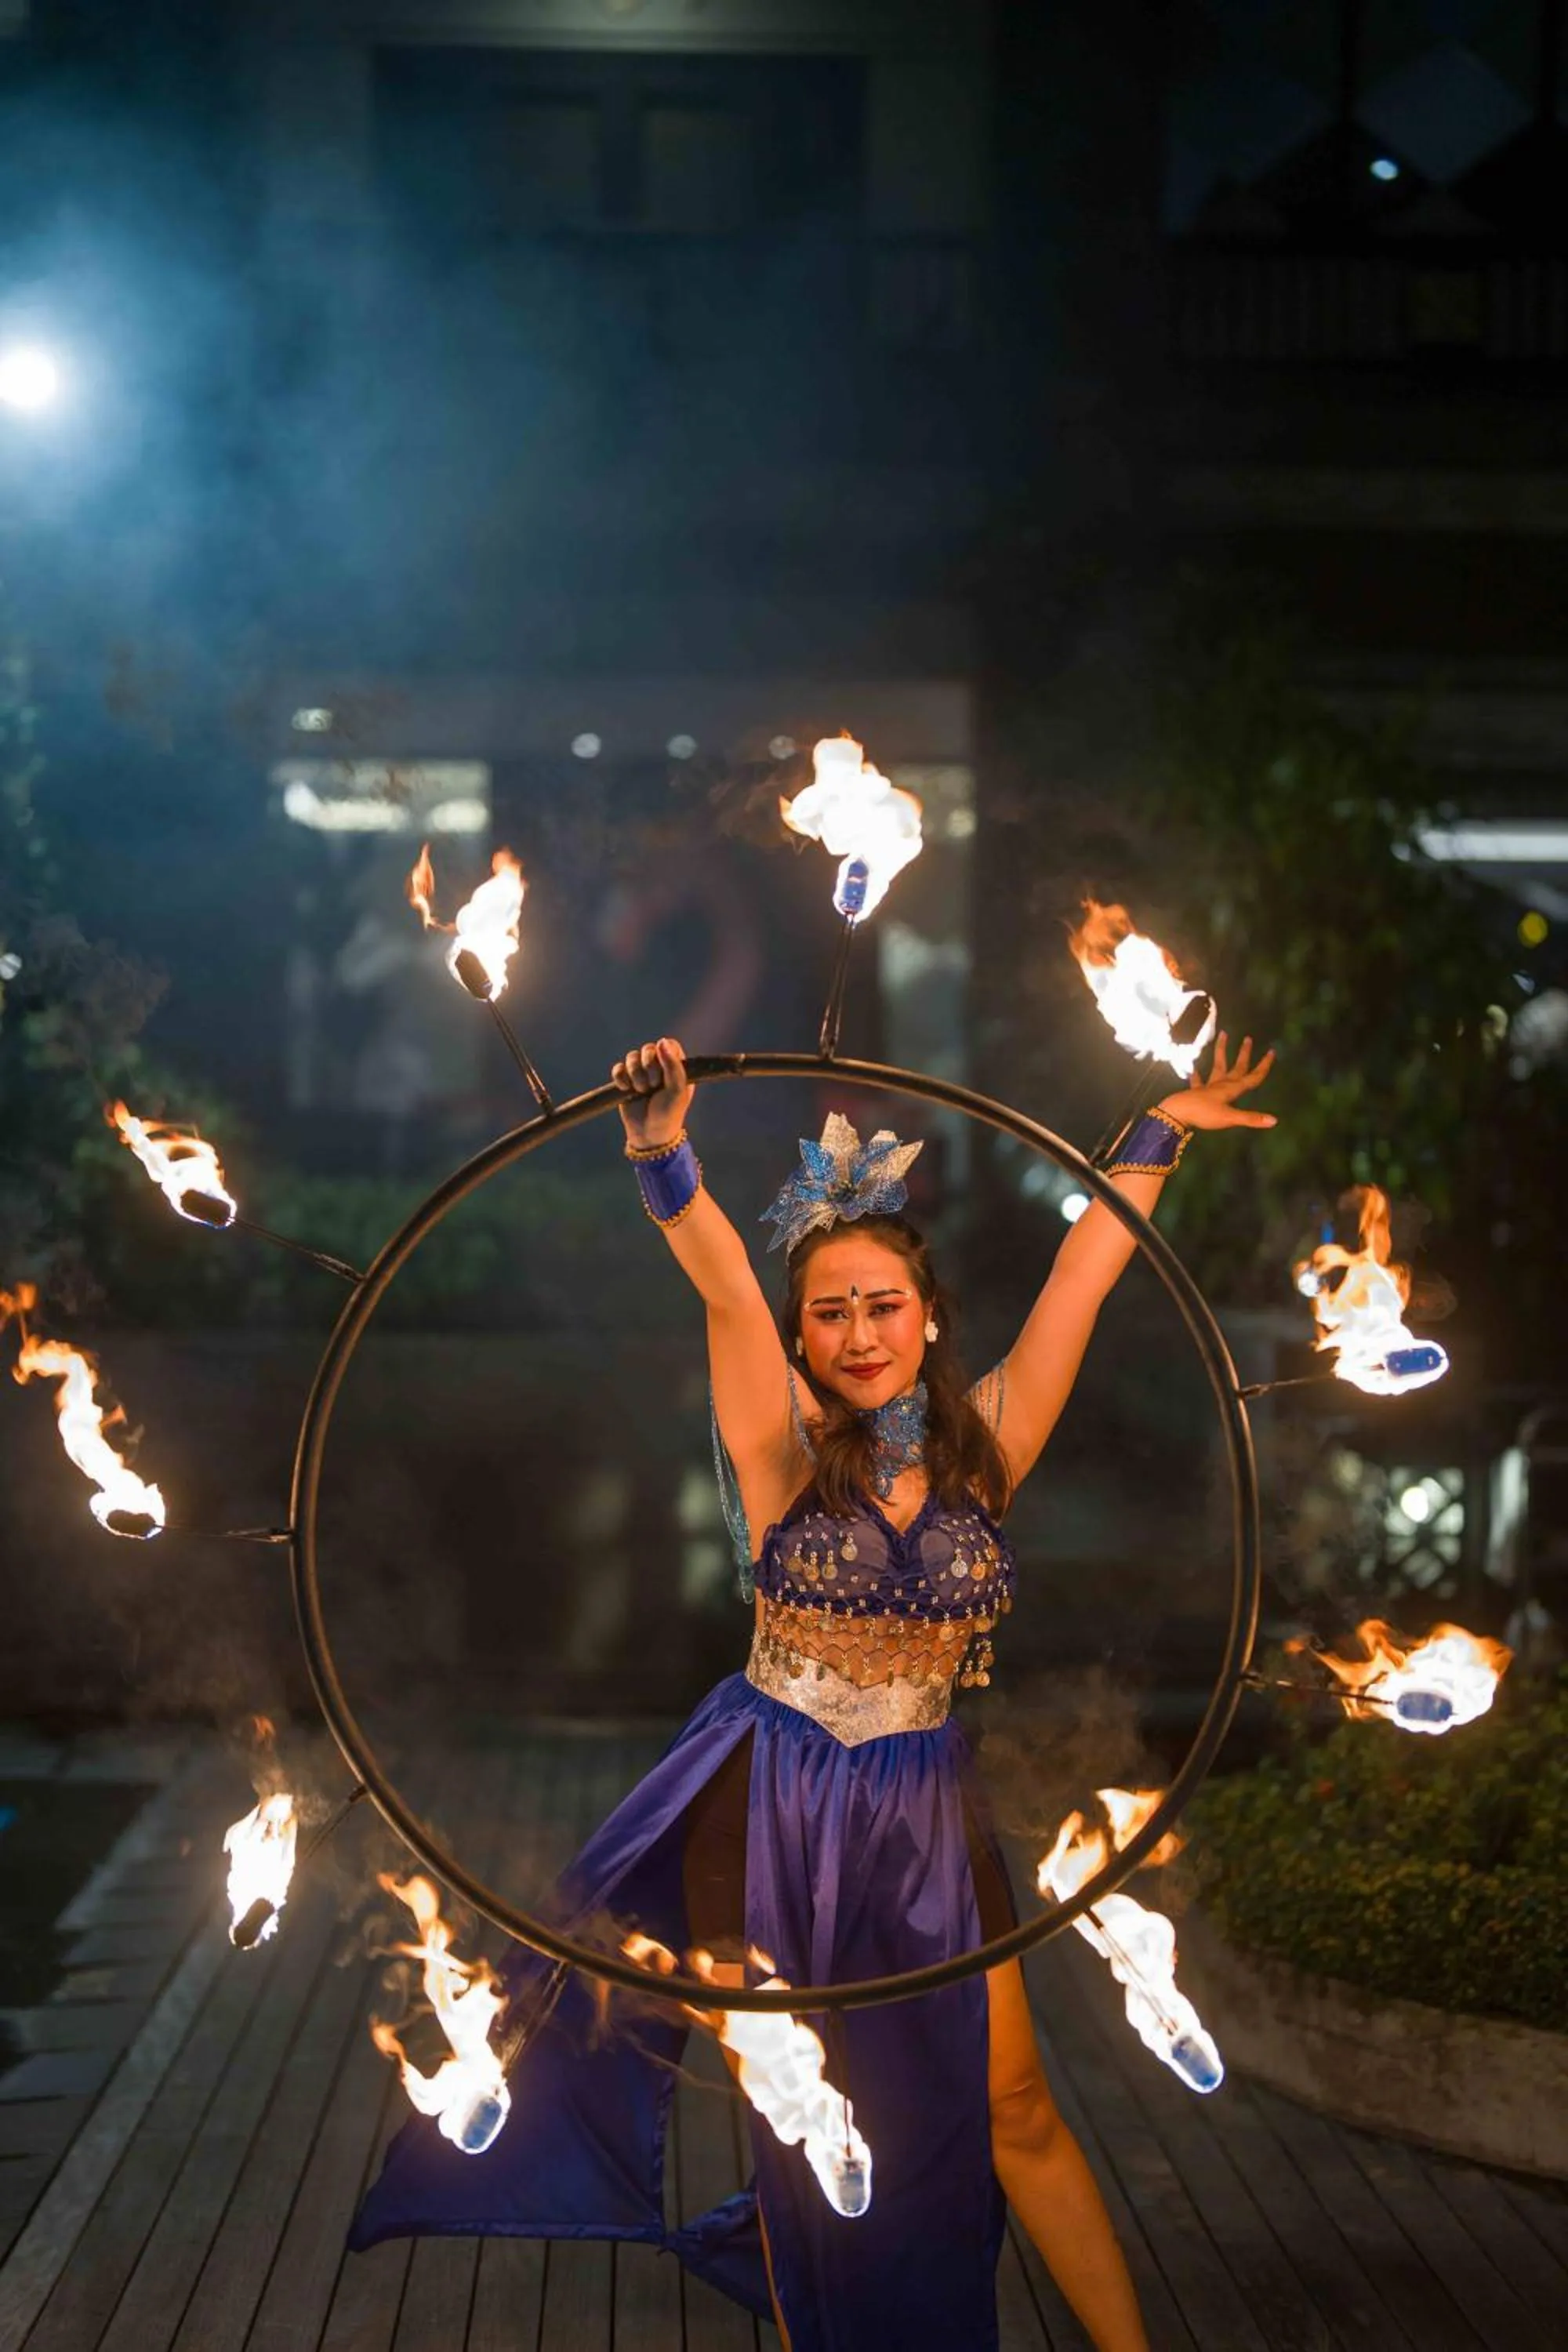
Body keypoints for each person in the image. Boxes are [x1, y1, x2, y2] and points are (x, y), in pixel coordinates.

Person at [350, 1030, 1276, 2350]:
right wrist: (661, 1153)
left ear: (930, 1314)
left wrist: (1161, 1126)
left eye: (881, 1305)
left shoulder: (993, 1439)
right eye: (829, 1311)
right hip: (770, 1796)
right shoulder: (781, 1446)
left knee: (1010, 2098)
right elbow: (727, 1286)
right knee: (804, 2127)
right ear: (804, 1333)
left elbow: (1087, 1271)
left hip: (926, 1804)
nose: (857, 1333)